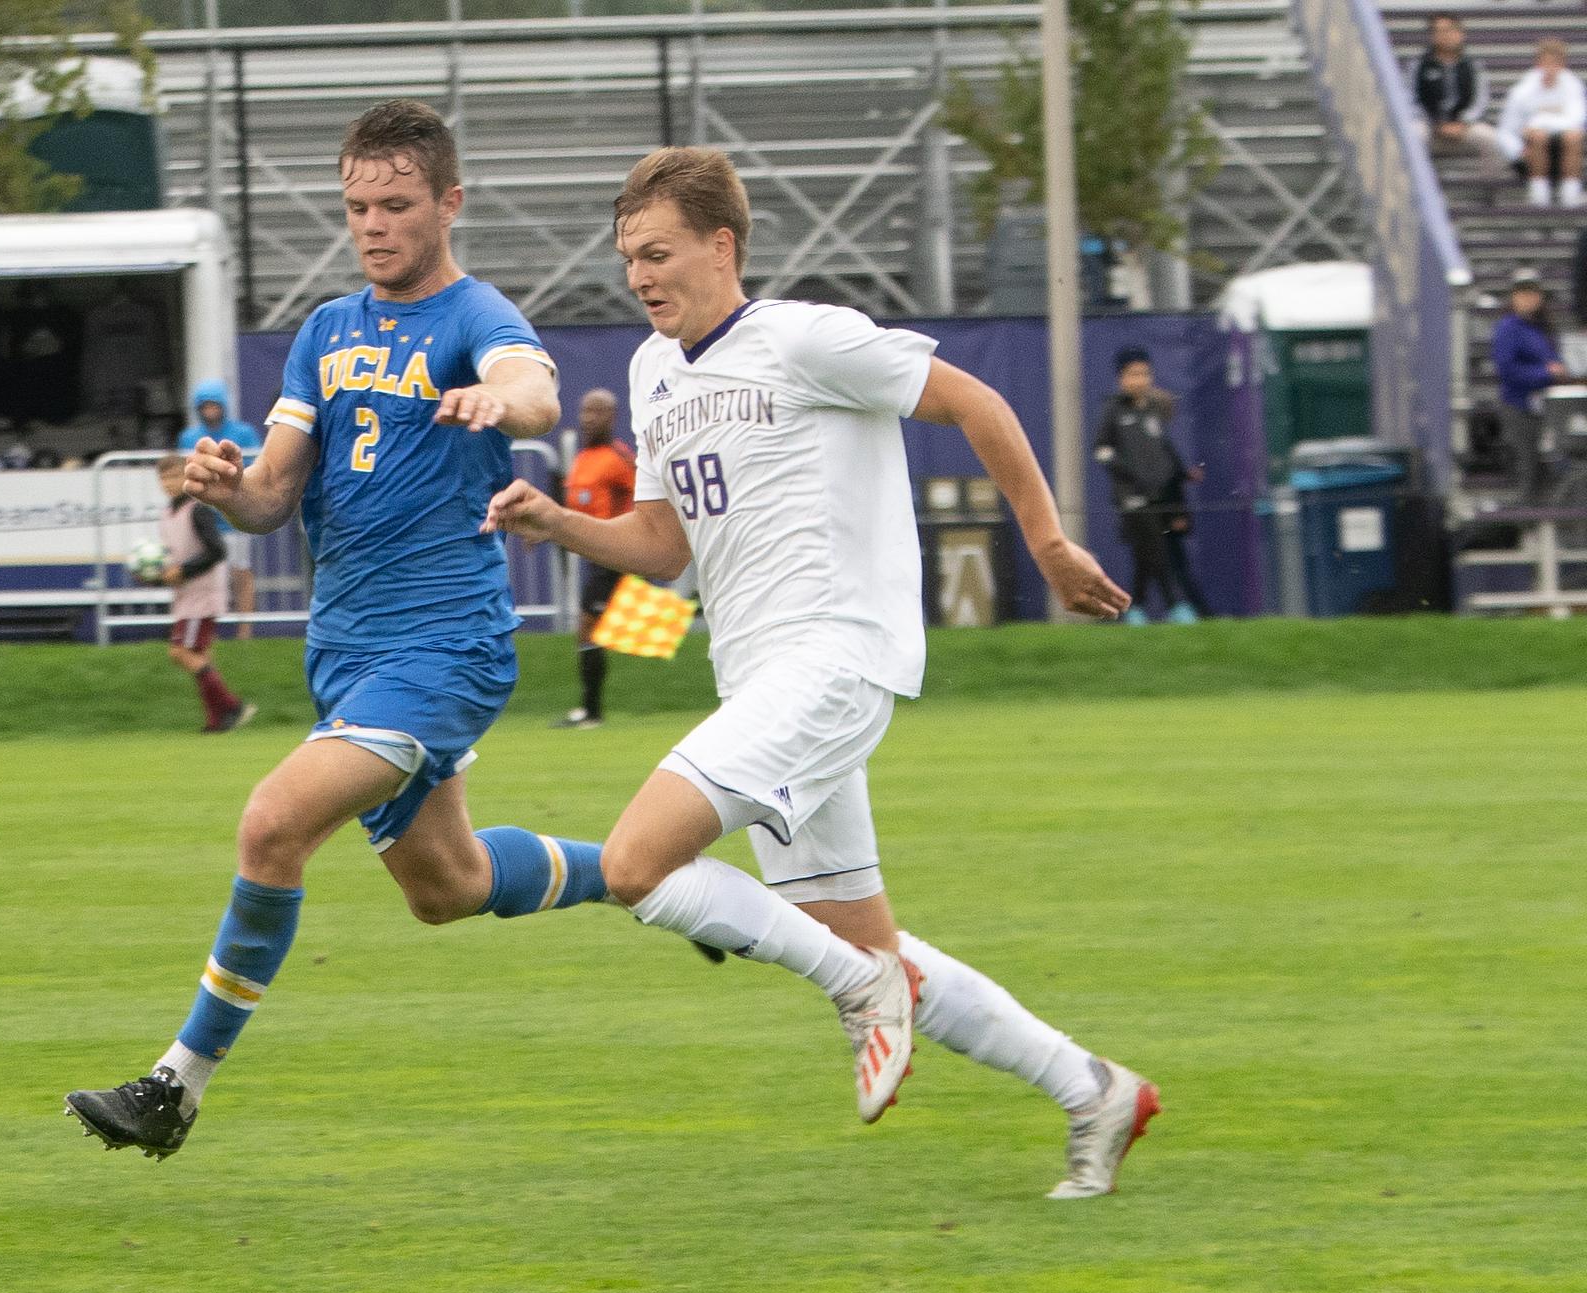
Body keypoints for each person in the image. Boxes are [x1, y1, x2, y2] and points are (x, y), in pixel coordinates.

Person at [483, 147, 1157, 1198]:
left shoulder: (805, 336)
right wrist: (560, 521)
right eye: (626, 260)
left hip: (836, 657)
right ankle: (1094, 1090)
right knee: (857, 935)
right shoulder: (654, 375)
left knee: (634, 864)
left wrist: (1049, 544)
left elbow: (976, 401)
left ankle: (860, 989)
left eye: (656, 253)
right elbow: (665, 546)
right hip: (758, 683)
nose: (639, 276)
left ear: (721, 243)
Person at [63, 99, 612, 1160]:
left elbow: (533, 386)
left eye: (396, 205)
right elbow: (272, 496)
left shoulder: (472, 317)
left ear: (448, 203)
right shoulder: (324, 332)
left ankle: (176, 1083)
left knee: (272, 825)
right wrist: (222, 489)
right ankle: (646, 867)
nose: (372, 225)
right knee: (444, 887)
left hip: (442, 649)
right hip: (347, 653)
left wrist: (501, 403)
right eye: (357, 206)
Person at [1095, 346, 1200, 625]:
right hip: (1131, 498)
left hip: (1159, 495)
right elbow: (1102, 451)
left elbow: (1162, 450)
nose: (1139, 380)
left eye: (1144, 373)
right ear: (1121, 378)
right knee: (1155, 548)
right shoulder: (1113, 411)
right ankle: (1175, 605)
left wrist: (1179, 478)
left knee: (1146, 554)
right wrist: (1129, 474)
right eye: (1132, 374)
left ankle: (1134, 607)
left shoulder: (1154, 410)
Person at [154, 452, 255, 733]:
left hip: (202, 594)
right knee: (200, 656)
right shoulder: (166, 515)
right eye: (163, 477)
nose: (169, 482)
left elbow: (217, 551)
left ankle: (232, 706)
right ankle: (217, 719)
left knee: (180, 652)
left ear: (187, 475)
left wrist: (184, 571)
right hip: (185, 593)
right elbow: (173, 557)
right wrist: (158, 574)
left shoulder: (197, 510)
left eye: (174, 475)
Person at [553, 387, 635, 728]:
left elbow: (643, 501)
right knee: (588, 628)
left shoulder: (619, 458)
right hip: (594, 554)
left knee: (588, 626)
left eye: (597, 411)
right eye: (585, 410)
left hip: (615, 555)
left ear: (612, 416)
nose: (589, 418)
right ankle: (589, 710)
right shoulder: (584, 458)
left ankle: (592, 712)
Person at [178, 380, 262, 641]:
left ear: (223, 406)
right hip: (203, 521)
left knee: (239, 573)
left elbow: (257, 468)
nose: (210, 410)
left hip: (235, 519)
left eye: (215, 405)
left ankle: (245, 631)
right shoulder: (189, 437)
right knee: (206, 577)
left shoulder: (244, 433)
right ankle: (206, 631)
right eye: (205, 406)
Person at [1492, 270, 1568, 499]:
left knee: (1544, 468)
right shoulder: (1508, 328)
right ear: (1514, 297)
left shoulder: (1540, 327)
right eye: (1522, 293)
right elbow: (1507, 370)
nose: (1528, 298)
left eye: (1532, 293)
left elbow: (1551, 358)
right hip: (1518, 407)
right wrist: (1544, 373)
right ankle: (1525, 524)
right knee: (1528, 468)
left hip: (1543, 406)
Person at [1408, 13, 1509, 179]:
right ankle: (1418, 189)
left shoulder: (1472, 66)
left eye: (1450, 30)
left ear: (1460, 33)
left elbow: (1480, 100)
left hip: (1464, 128)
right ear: (1432, 36)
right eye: (1440, 31)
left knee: (1491, 138)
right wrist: (1436, 122)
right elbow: (1412, 100)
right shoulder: (1420, 66)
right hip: (1431, 127)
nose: (1446, 35)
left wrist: (1464, 122)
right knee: (1414, 135)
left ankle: (1487, 193)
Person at [1497, 37, 1587, 208]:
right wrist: (1518, 151)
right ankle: (1539, 196)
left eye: (1556, 63)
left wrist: (1540, 122)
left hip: (1565, 149)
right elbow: (1506, 130)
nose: (1550, 68)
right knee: (1539, 137)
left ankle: (1570, 195)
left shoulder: (1573, 87)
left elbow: (1577, 121)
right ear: (1538, 64)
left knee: (1572, 136)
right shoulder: (1522, 91)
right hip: (1530, 153)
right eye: (1547, 62)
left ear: (1562, 65)